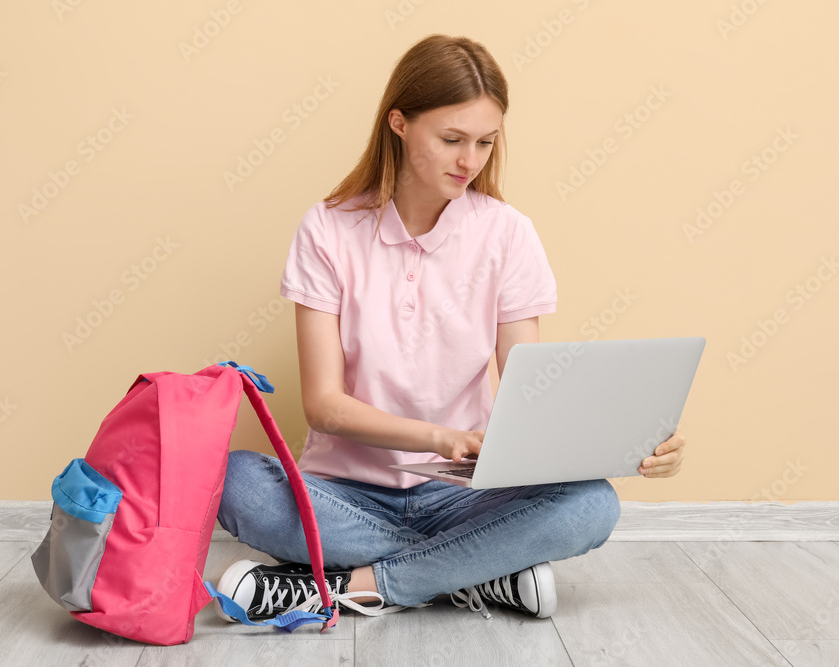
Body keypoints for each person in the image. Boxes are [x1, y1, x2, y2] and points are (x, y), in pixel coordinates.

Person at [214, 33, 687, 623]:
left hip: (465, 495)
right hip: (344, 493)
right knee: (236, 481)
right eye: (452, 139)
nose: (470, 162)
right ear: (399, 123)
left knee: (591, 506)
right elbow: (324, 407)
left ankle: (352, 584)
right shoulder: (327, 229)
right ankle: (478, 575)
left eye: (486, 142)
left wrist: (631, 441)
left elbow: (528, 391)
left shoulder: (508, 234)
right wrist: (441, 438)